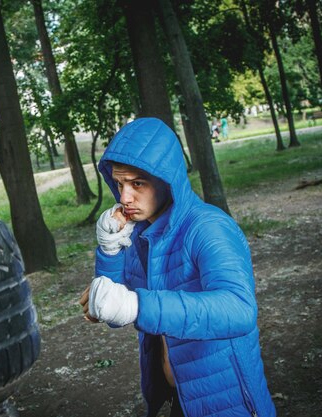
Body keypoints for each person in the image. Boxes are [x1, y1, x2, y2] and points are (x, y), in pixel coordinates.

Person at [79, 118, 276, 417]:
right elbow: (116, 308)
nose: (124, 197)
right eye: (120, 183)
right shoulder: (141, 233)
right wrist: (109, 251)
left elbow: (239, 309)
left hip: (226, 399)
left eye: (137, 183)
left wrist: (136, 304)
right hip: (179, 397)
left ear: (167, 179)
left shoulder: (209, 227)